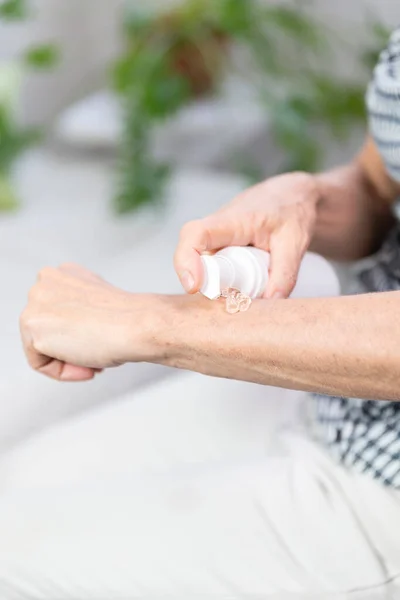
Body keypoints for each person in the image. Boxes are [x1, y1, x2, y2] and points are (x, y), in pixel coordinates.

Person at [4, 26, 400, 600]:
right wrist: (306, 200)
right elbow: (378, 181)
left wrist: (152, 323)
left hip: (383, 488)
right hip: (336, 403)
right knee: (20, 483)